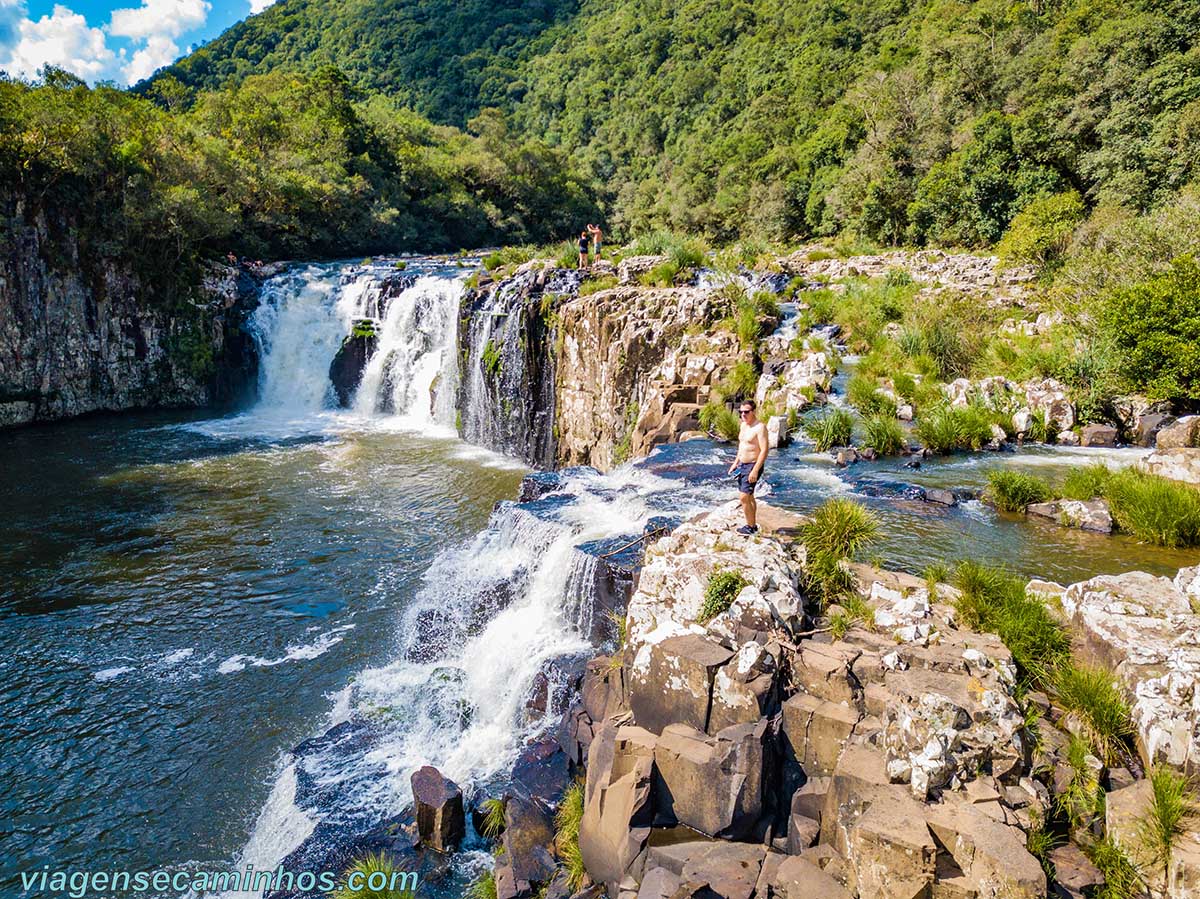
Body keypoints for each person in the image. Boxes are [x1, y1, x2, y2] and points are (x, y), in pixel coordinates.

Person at [727, 399, 769, 534]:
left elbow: (764, 450)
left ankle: (750, 527)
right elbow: (742, 446)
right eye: (741, 412)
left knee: (743, 497)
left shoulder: (760, 427)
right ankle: (753, 525)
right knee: (749, 496)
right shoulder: (743, 425)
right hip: (743, 464)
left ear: (753, 411)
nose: (743, 414)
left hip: (753, 465)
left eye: (746, 412)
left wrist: (755, 470)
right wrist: (735, 463)